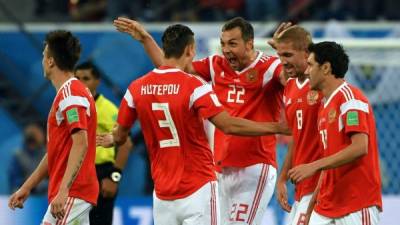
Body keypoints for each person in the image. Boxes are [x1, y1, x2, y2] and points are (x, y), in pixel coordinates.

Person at [102, 24, 288, 225]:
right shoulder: (215, 65)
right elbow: (172, 72)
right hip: (221, 168)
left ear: (250, 43)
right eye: (223, 44)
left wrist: (285, 55)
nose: (226, 50)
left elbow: (294, 80)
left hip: (255, 165)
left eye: (232, 44)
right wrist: (147, 40)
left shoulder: (270, 66)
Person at [8, 30, 99, 225]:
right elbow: (55, 152)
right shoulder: (70, 93)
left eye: (43, 56)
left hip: (72, 193)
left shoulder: (70, 95)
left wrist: (64, 190)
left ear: (50, 61)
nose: (42, 60)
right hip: (74, 192)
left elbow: (80, 143)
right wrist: (27, 187)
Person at [288, 41, 382, 224]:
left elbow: (360, 147)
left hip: (356, 203)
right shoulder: (324, 106)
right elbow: (328, 163)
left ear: (326, 68)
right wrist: (309, 210)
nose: (306, 72)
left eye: (310, 65)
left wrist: (313, 165)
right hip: (326, 206)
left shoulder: (350, 98)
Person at [268, 24, 324, 225]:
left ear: (307, 53)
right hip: (302, 188)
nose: (282, 61)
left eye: (288, 55)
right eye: (280, 55)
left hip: (323, 187)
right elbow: (297, 138)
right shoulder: (290, 85)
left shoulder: (324, 85)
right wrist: (282, 178)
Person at [74, 61, 133, 225]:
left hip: (101, 174)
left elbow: (126, 144)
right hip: (75, 172)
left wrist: (113, 178)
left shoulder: (109, 109)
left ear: (97, 81)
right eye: (77, 78)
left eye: (86, 78)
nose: (81, 83)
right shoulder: (70, 107)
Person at [8, 122, 48, 195]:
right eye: (41, 134)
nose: (44, 136)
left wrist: (42, 185)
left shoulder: (45, 153)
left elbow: (52, 176)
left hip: (45, 193)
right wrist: (29, 185)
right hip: (25, 194)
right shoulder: (17, 155)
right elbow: (14, 181)